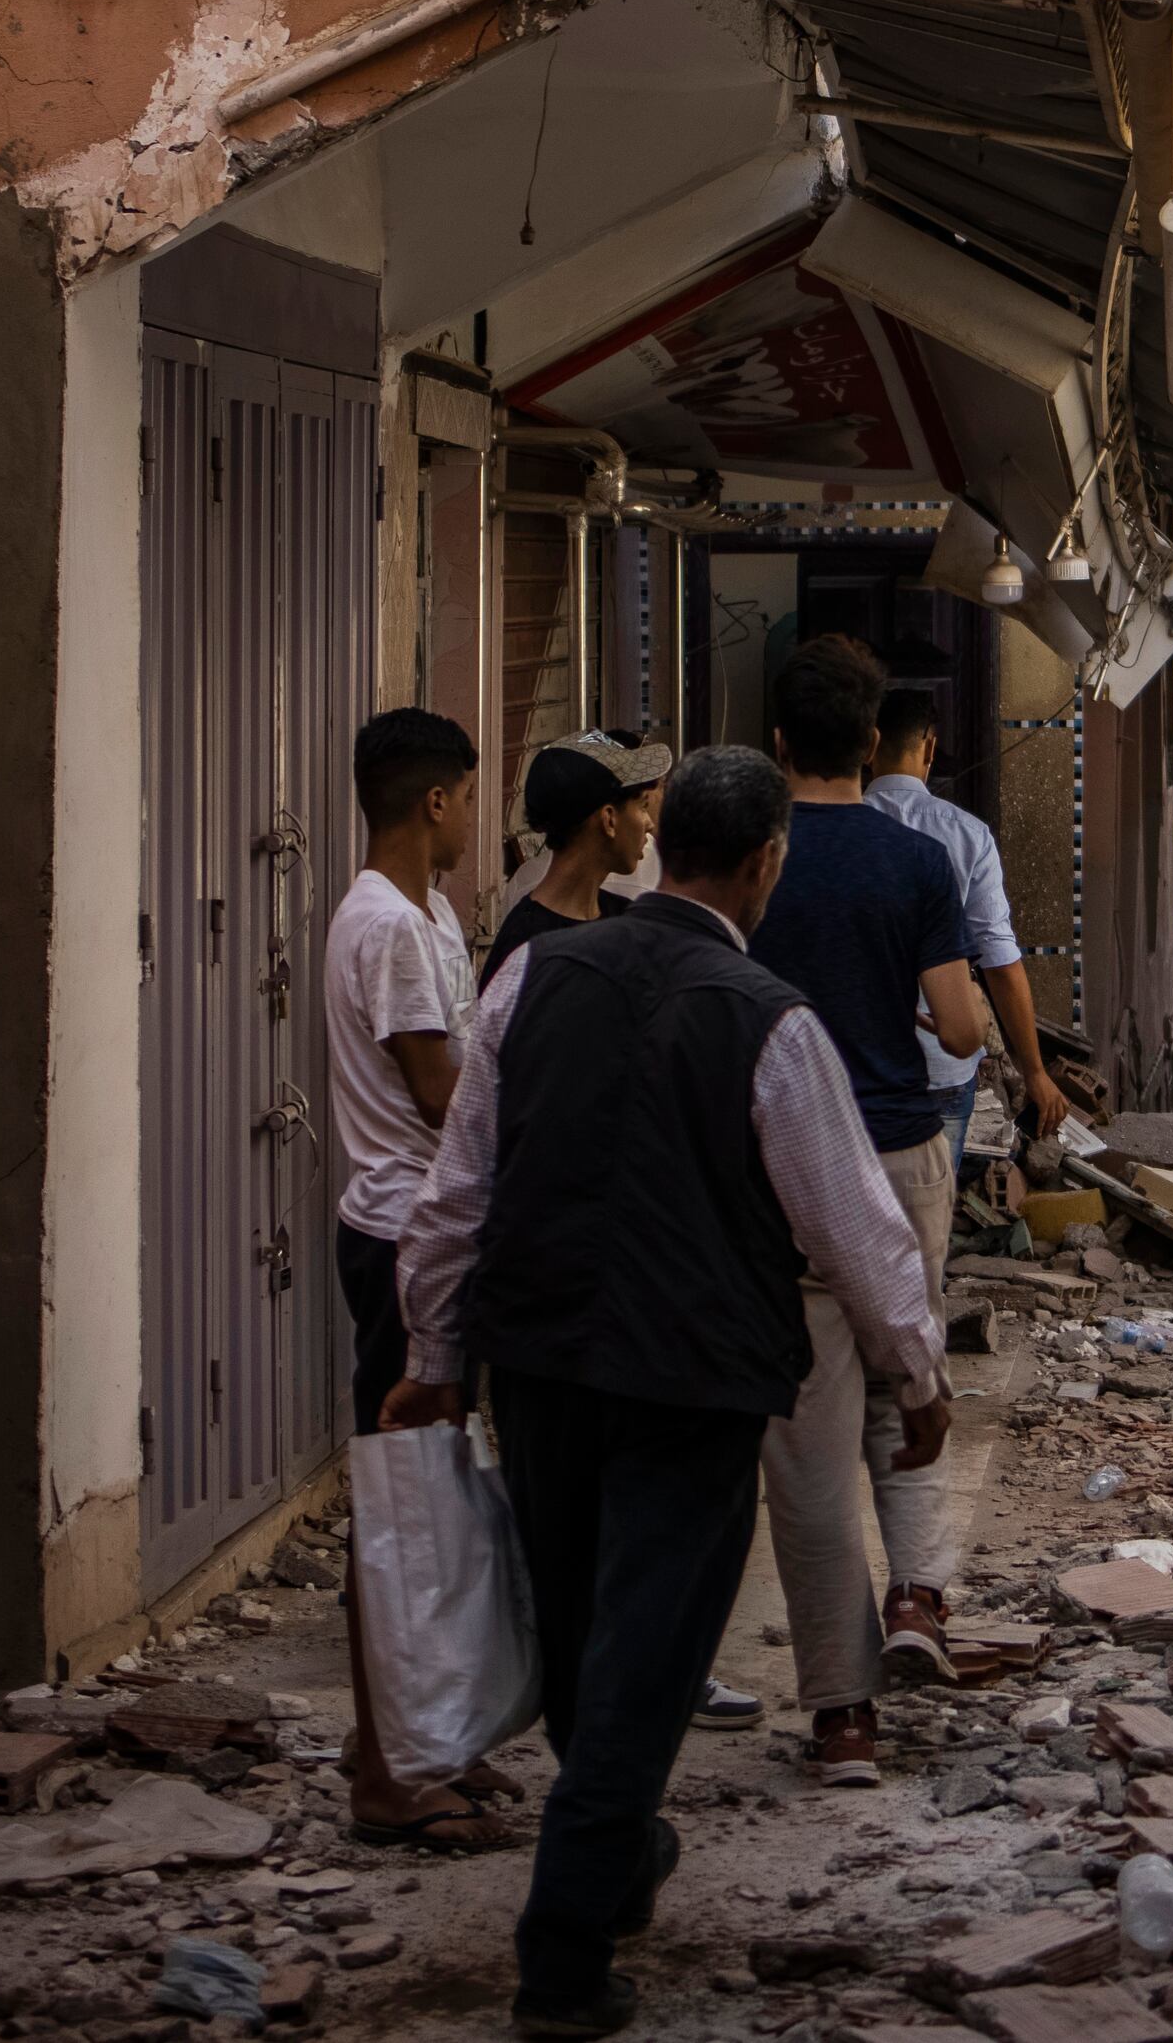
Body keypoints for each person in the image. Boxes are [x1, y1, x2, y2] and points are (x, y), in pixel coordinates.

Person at [389, 748, 950, 2039]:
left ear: (659, 848)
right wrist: (913, 1371)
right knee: (645, 1647)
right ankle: (563, 1950)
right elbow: (856, 1226)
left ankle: (619, 1851)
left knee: (587, 1623)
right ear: (763, 862)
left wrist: (433, 1359)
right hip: (692, 1374)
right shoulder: (769, 1021)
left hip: (538, 1359)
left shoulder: (533, 975)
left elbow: (457, 1190)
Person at [741, 637, 989, 1784]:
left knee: (806, 1438)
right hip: (896, 1149)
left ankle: (841, 1713)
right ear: (876, 743)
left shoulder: (747, 865)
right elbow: (959, 1027)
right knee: (909, 1372)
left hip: (775, 1170)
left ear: (779, 742)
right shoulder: (914, 862)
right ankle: (919, 1596)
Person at [482, 727, 764, 1731]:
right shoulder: (523, 955)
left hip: (628, 1270)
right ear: (604, 817)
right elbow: (485, 1144)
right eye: (640, 803)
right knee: (591, 1524)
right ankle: (603, 1728)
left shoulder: (610, 923)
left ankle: (628, 1700)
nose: (651, 821)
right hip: (564, 1280)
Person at [318, 705, 516, 1850]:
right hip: (400, 1232)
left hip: (419, 1227)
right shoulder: (388, 923)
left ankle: (408, 1730)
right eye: (466, 797)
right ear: (435, 800)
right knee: (397, 1505)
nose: (471, 820)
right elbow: (442, 1091)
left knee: (429, 1495)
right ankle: (389, 1768)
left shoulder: (423, 910)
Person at [866, 676, 1069, 1147]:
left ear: (867, 746)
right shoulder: (966, 836)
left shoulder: (833, 830)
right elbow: (999, 961)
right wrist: (1034, 1071)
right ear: (930, 749)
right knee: (934, 1211)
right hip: (940, 1068)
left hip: (852, 1065)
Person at [486, 730, 668, 988]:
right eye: (640, 806)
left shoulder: (626, 921)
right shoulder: (527, 951)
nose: (648, 824)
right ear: (609, 820)